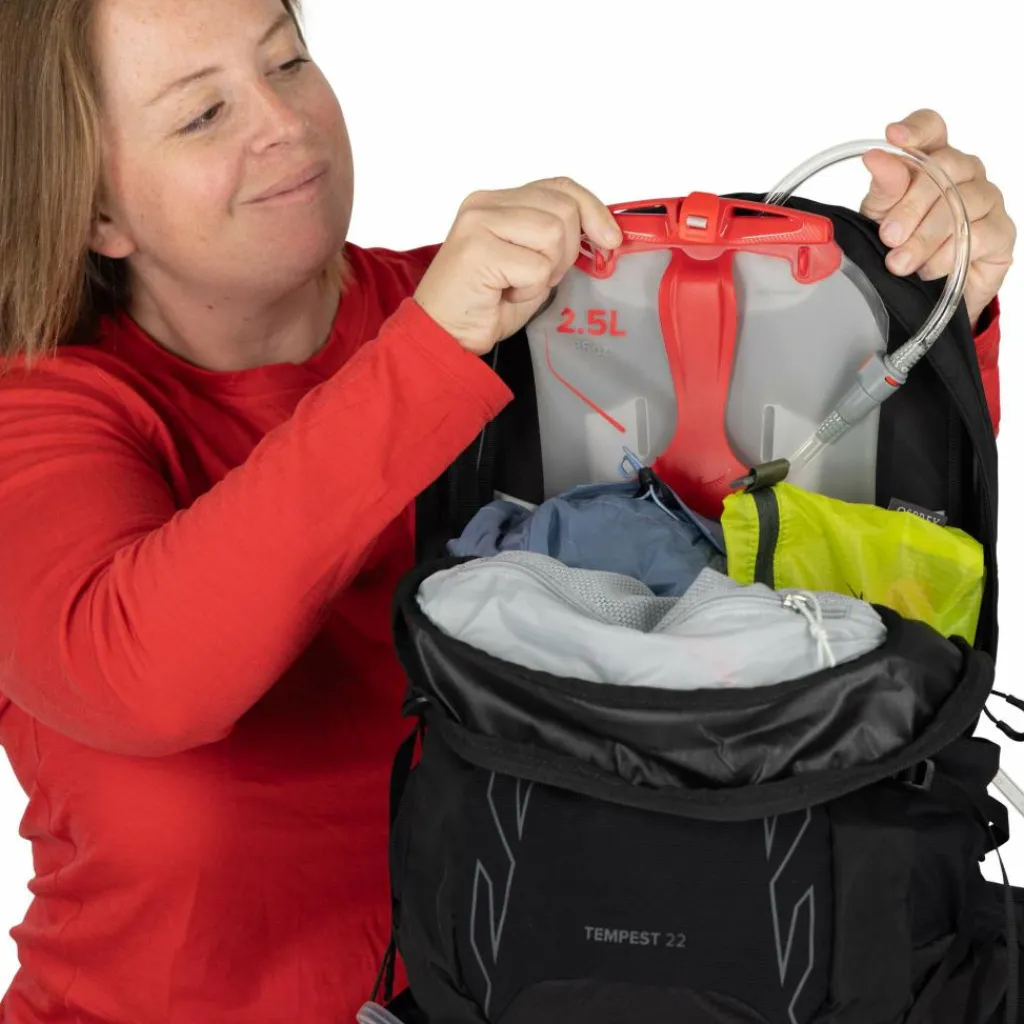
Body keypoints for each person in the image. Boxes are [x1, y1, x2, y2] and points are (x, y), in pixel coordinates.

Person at [0, 0, 1015, 1020]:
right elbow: (140, 674)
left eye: (287, 61)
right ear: (94, 210)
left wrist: (925, 318)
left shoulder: (505, 319)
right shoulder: (42, 417)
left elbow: (770, 582)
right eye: (203, 113)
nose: (284, 121)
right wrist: (429, 354)